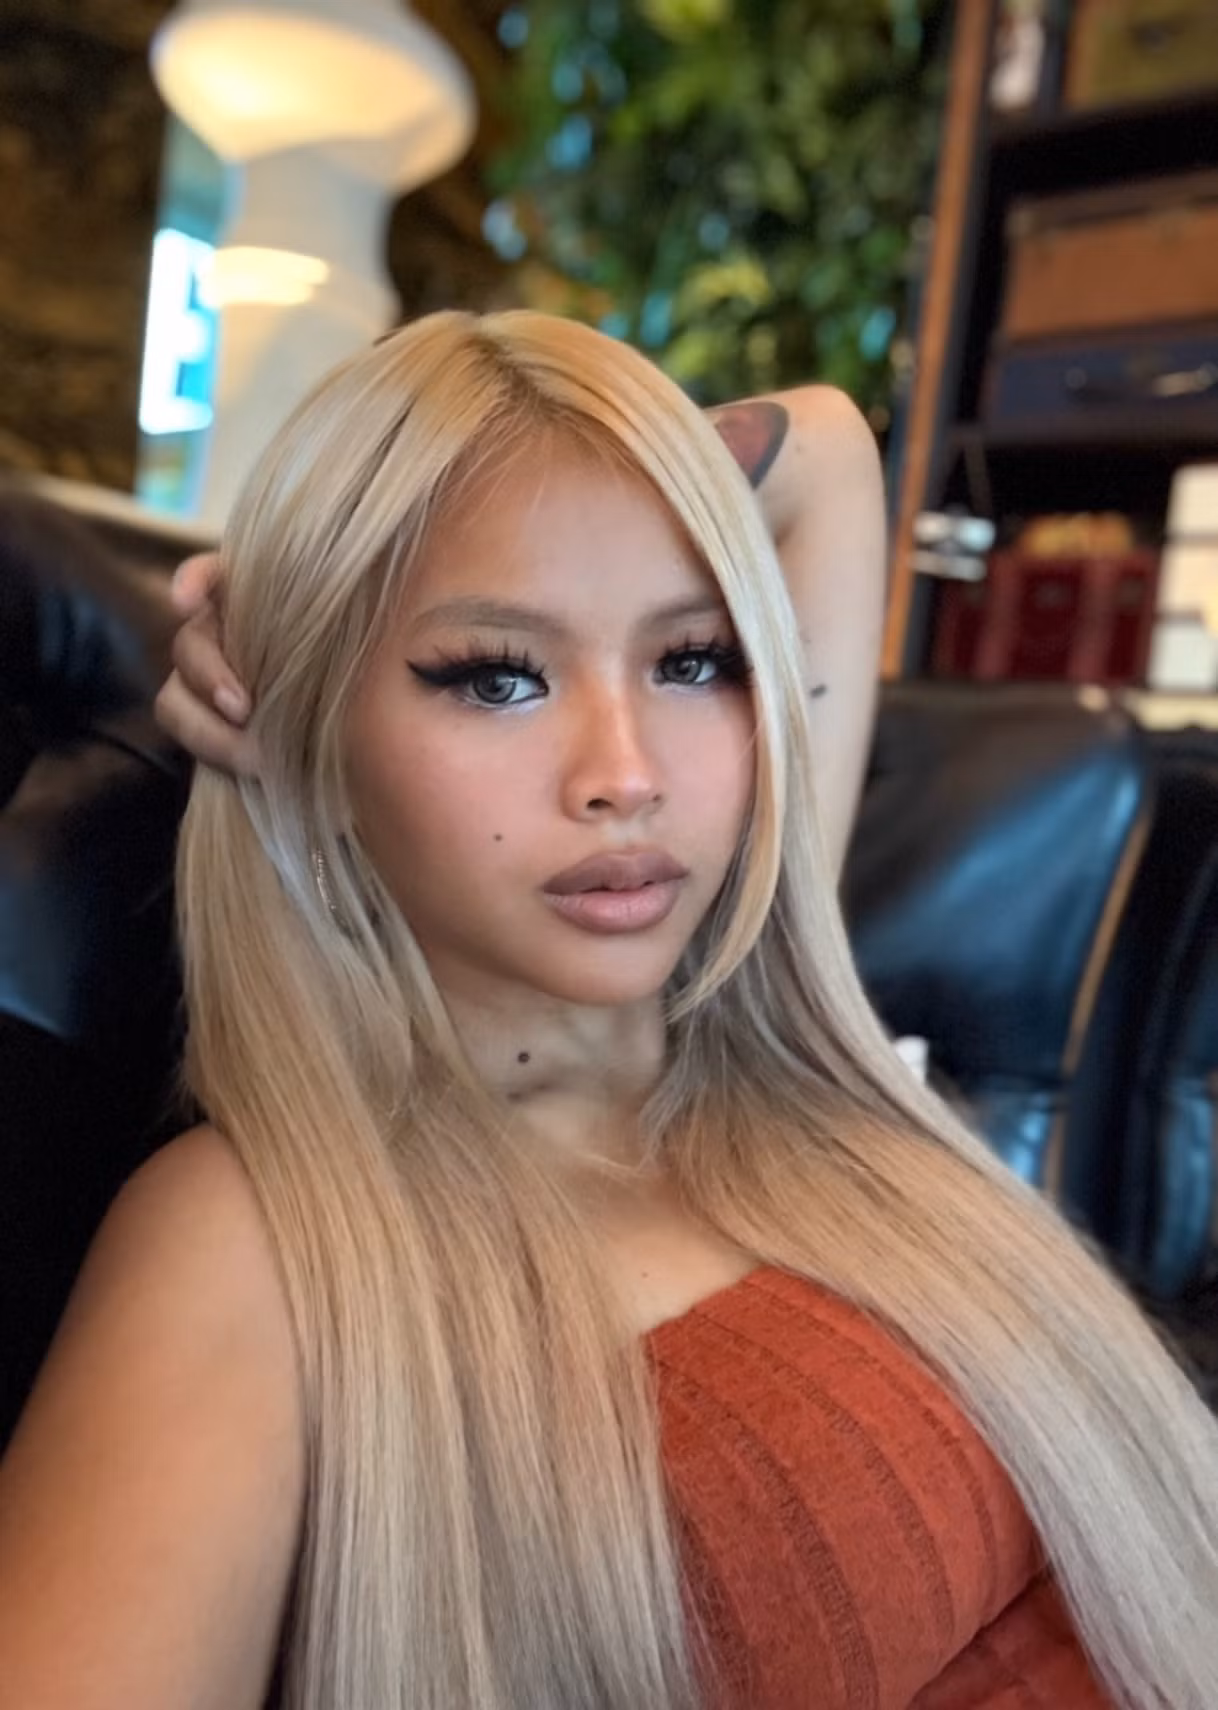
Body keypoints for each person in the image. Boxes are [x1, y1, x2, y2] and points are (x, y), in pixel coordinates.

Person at [0, 310, 1215, 1710]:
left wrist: (481, 478)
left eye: (692, 659)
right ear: (309, 729)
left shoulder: (759, 1045)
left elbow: (825, 446)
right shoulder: (255, 1241)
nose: (626, 774)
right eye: (496, 676)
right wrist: (317, 570)